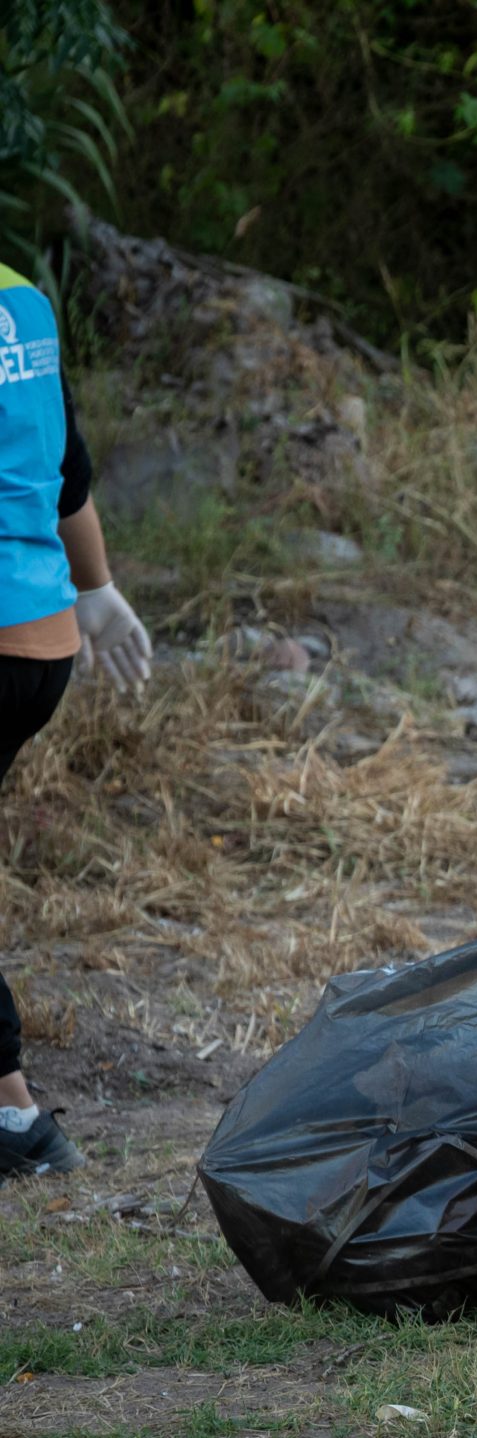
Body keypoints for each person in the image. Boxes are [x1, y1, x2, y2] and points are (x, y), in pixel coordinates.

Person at [1, 262, 153, 1178]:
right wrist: (96, 590)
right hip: (42, 643)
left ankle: (14, 1113)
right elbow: (66, 470)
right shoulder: (22, 297)